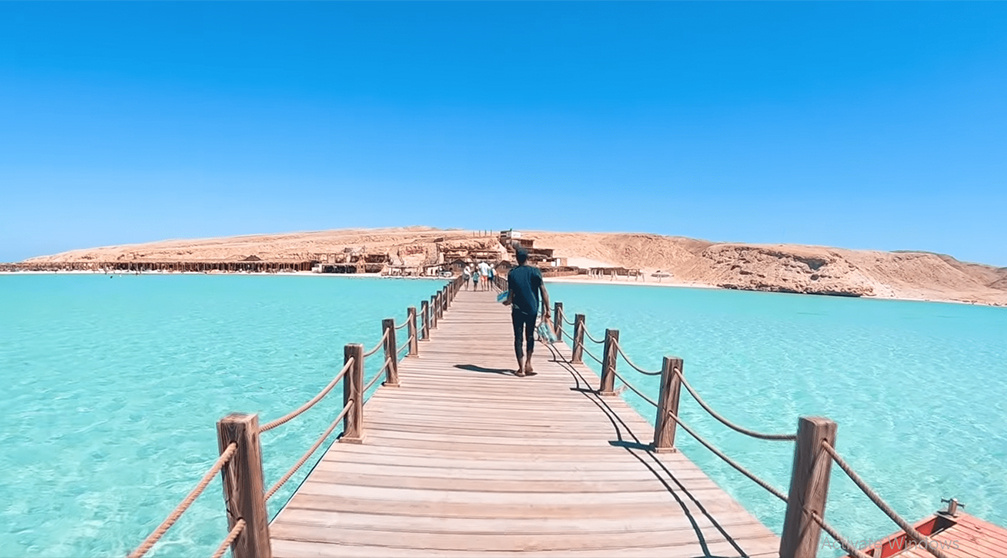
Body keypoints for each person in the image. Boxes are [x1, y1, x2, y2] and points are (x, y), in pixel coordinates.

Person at [503, 249, 550, 377]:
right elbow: (543, 291)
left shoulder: (512, 273)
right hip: (532, 309)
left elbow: (511, 295)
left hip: (518, 309)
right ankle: (529, 363)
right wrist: (548, 309)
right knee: (530, 336)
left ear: (517, 258)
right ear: (527, 258)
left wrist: (507, 302)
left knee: (518, 338)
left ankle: (521, 368)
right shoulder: (535, 271)